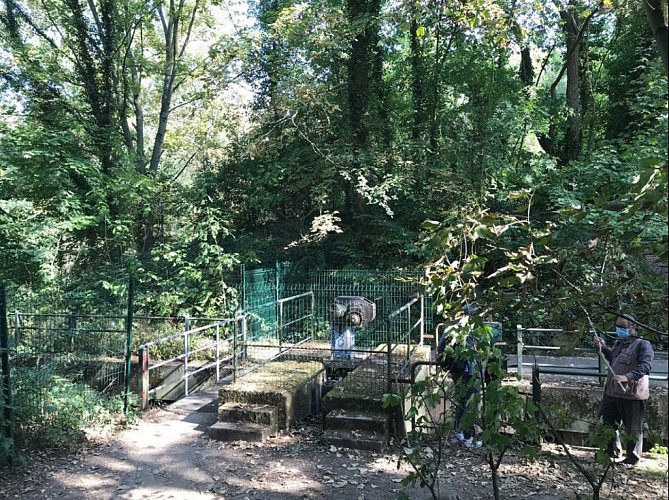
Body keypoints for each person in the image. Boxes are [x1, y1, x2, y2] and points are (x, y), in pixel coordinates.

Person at [594, 314, 654, 466]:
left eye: (623, 327)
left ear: (633, 328)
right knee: (607, 424)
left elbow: (645, 366)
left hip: (631, 394)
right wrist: (603, 347)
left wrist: (627, 377)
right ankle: (609, 452)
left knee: (633, 428)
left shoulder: (643, 344)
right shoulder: (619, 343)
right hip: (612, 392)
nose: (619, 329)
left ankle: (632, 458)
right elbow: (613, 359)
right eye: (617, 326)